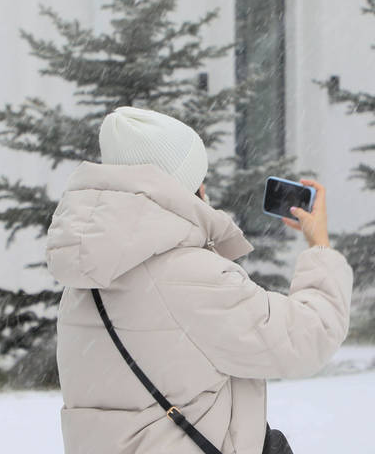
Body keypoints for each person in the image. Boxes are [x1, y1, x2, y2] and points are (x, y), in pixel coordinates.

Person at [46, 106, 354, 454]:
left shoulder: (84, 280)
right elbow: (308, 337)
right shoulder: (190, 276)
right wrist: (320, 246)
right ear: (189, 187)